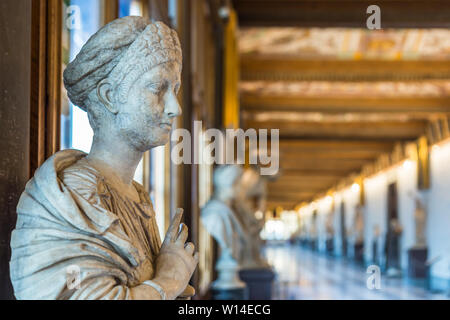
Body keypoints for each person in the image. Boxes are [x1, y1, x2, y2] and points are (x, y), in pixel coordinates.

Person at [10, 17, 198, 300]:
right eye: (158, 88)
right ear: (109, 96)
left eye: (176, 90)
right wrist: (169, 282)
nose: (175, 107)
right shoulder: (72, 199)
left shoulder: (136, 197)